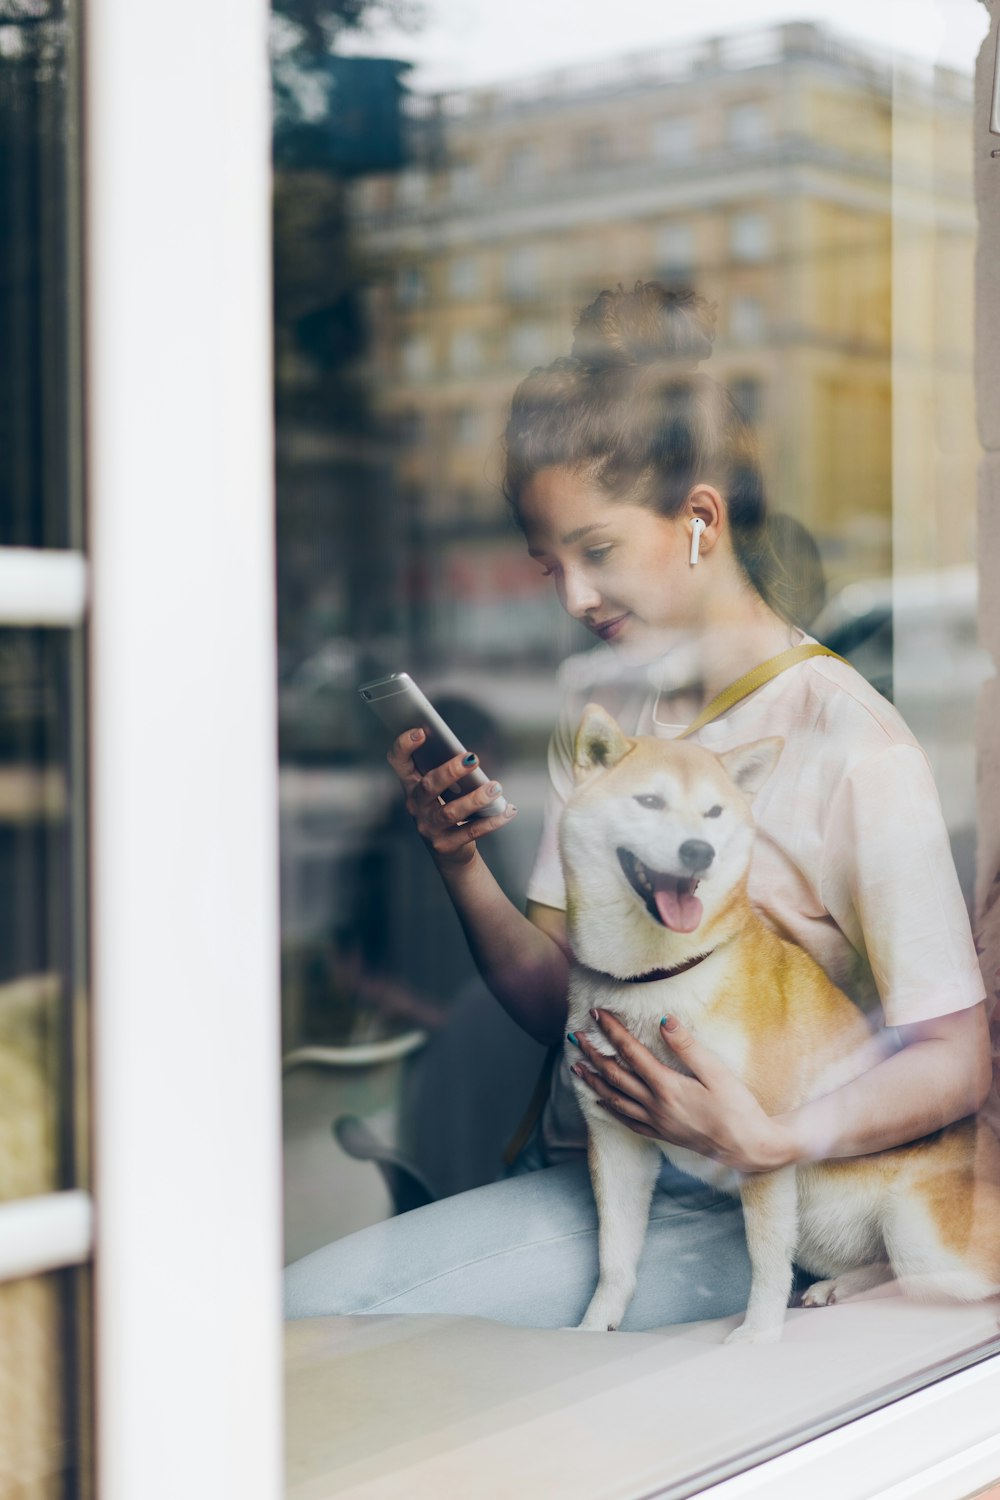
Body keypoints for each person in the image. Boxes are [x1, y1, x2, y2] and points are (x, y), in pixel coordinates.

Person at [284, 283, 991, 1330]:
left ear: (699, 520)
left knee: (320, 1320)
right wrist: (458, 858)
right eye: (546, 564)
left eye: (596, 552)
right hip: (601, 1182)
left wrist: (773, 1137)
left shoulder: (848, 738)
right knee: (318, 1316)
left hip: (759, 1215)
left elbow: (957, 1055)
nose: (570, 596)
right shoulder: (613, 707)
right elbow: (560, 1003)